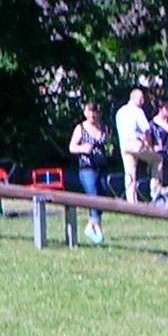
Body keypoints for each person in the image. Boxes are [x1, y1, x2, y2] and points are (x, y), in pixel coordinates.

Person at [67, 102, 108, 245]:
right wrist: (83, 148)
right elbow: (71, 147)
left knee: (102, 195)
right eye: (89, 112)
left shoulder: (103, 127)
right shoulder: (80, 128)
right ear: (85, 113)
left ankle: (92, 226)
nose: (92, 115)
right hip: (86, 168)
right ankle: (97, 230)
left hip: (101, 166)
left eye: (94, 112)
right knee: (93, 195)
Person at [115, 88, 157, 205]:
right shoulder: (138, 111)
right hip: (135, 144)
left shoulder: (120, 112)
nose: (143, 101)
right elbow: (146, 131)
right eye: (141, 98)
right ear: (133, 98)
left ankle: (131, 202)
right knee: (158, 160)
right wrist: (150, 146)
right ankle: (155, 192)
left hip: (124, 145)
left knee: (129, 173)